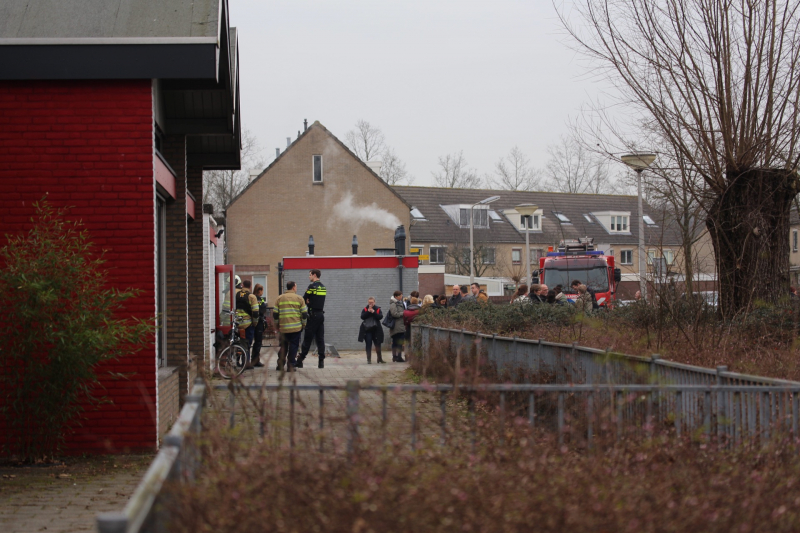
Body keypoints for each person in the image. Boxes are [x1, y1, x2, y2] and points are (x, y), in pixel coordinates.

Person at [273, 281, 308, 372]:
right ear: (293, 287)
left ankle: (280, 364)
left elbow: (275, 314)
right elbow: (304, 314)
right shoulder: (299, 298)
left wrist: (277, 325)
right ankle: (291, 365)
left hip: (283, 328)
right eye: (296, 286)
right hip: (296, 328)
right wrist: (303, 324)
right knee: (293, 346)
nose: (296, 288)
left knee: (283, 346)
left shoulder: (279, 298)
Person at [297, 269, 327, 369]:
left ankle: (300, 359)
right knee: (320, 339)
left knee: (307, 338)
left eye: (310, 275)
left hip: (312, 315)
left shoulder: (311, 287)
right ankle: (321, 361)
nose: (309, 277)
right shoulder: (323, 287)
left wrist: (309, 302)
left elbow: (304, 298)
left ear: (314, 275)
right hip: (320, 315)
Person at [235, 278, 259, 368]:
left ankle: (237, 362)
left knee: (238, 343)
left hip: (238, 324)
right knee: (247, 344)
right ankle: (246, 363)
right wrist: (255, 323)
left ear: (243, 285)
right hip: (248, 325)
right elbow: (255, 312)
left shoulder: (237, 295)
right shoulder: (252, 297)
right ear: (250, 286)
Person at [358, 297, 384, 364]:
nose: (371, 304)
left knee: (377, 344)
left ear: (374, 302)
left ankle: (379, 358)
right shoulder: (365, 309)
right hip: (367, 330)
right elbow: (362, 317)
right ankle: (369, 359)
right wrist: (368, 312)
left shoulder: (377, 309)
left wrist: (373, 312)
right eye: (369, 302)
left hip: (376, 330)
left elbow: (380, 317)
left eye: (372, 302)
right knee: (368, 344)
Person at [250, 283, 268, 368]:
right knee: (258, 342)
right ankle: (255, 361)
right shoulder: (260, 300)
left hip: (252, 322)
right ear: (259, 290)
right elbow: (263, 309)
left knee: (249, 341)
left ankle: (249, 360)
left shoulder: (251, 298)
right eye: (262, 290)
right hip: (259, 322)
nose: (262, 292)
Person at [388, 290, 406, 362]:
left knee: (398, 341)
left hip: (400, 325)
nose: (401, 297)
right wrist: (403, 313)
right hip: (396, 326)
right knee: (397, 341)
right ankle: (397, 357)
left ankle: (397, 357)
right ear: (396, 296)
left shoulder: (399, 303)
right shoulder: (393, 304)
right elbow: (394, 314)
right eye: (400, 296)